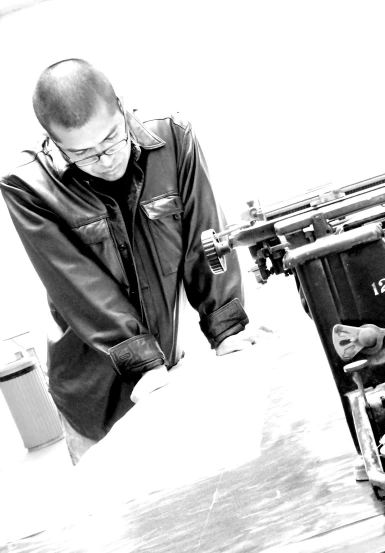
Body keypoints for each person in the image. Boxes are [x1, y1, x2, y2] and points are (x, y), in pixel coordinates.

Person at [0, 59, 259, 464]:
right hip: (92, 395)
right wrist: (143, 363)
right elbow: (82, 287)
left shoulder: (172, 139)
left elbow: (205, 241)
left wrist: (226, 329)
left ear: (122, 108)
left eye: (111, 140)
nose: (105, 160)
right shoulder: (27, 186)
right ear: (52, 140)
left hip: (163, 374)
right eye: (83, 153)